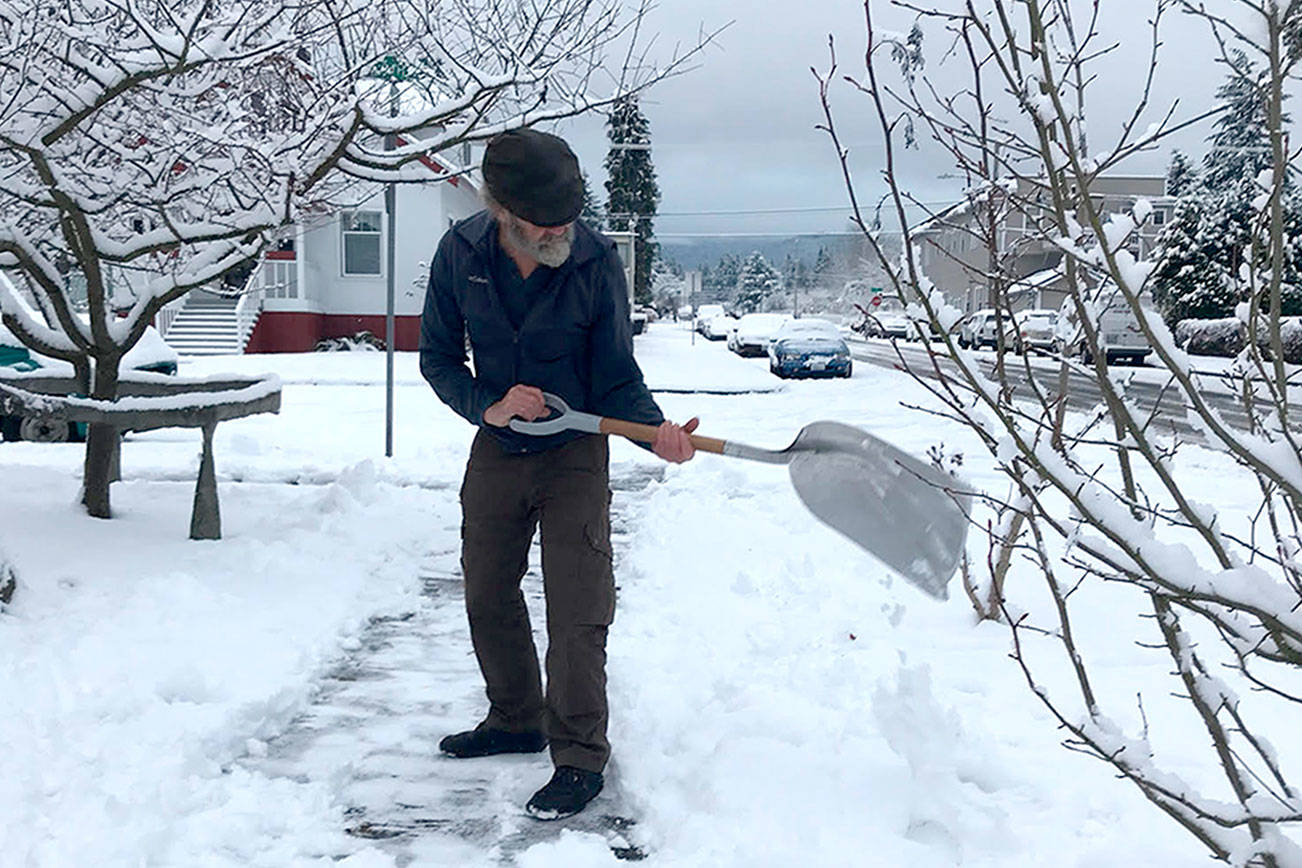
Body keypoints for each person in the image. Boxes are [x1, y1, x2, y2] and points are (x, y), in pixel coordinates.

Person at [418, 128, 698, 821]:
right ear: (503, 209)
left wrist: (655, 434)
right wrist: (490, 404)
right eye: (545, 222)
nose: (559, 232)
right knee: (486, 590)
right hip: (499, 444)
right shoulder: (461, 254)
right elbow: (438, 360)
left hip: (575, 450)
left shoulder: (596, 261)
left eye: (568, 218)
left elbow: (616, 376)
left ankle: (578, 755)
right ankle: (516, 717)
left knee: (577, 610)